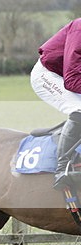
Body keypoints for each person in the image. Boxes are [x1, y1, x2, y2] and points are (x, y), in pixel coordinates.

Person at [30, 17, 81, 188]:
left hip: (71, 78)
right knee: (79, 109)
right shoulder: (80, 28)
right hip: (48, 76)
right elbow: (71, 80)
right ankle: (62, 168)